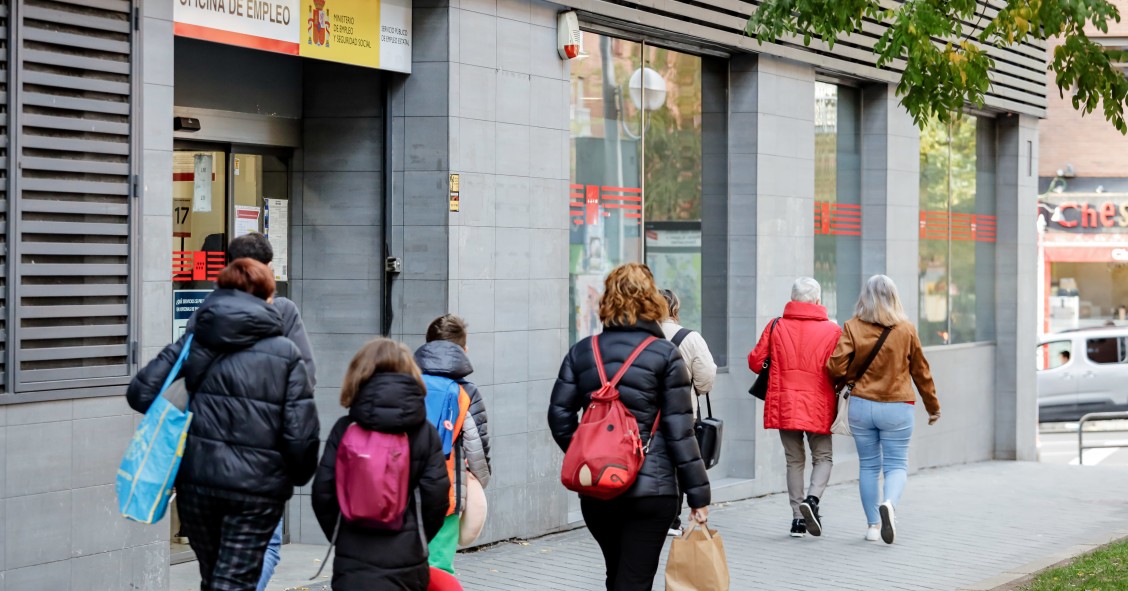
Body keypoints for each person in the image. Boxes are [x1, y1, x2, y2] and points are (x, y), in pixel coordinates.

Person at [127, 259, 319, 590]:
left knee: (214, 577)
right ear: (267, 297)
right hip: (257, 489)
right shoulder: (285, 352)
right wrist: (296, 474)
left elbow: (140, 393)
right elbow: (301, 432)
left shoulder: (196, 341)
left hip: (198, 483)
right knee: (233, 582)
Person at [548, 263, 711, 591]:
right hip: (654, 487)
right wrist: (698, 494)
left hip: (598, 489)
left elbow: (559, 416)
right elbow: (680, 430)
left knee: (618, 573)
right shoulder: (665, 355)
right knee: (634, 578)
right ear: (651, 301)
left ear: (607, 301)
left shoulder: (582, 352)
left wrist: (591, 453)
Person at [311, 338, 451, 590]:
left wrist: (345, 535)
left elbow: (323, 494)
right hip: (407, 564)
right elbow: (437, 497)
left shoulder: (345, 430)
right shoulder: (425, 434)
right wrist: (415, 538)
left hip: (353, 562)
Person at [225, 233, 318, 591]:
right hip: (262, 454)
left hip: (208, 455)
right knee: (267, 546)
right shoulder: (282, 311)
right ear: (269, 269)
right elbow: (306, 378)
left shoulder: (208, 312)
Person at [827, 275, 940, 545]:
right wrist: (932, 407)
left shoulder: (852, 327)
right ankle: (889, 503)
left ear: (864, 297)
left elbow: (834, 367)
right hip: (897, 406)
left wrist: (850, 378)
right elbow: (921, 372)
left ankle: (872, 527)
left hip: (862, 405)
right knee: (896, 464)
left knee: (868, 466)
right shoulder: (906, 329)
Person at [748, 277, 842, 538]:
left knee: (794, 460)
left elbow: (756, 363)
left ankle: (797, 520)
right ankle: (812, 501)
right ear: (818, 301)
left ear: (793, 299)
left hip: (785, 402)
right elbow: (840, 369)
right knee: (823, 457)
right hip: (819, 404)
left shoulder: (776, 325)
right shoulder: (833, 331)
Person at [414, 314, 491, 574]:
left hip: (400, 491)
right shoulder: (466, 392)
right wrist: (480, 483)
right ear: (464, 350)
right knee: (438, 568)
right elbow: (477, 447)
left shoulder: (404, 384)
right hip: (446, 494)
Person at [658, 288, 717, 536]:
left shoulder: (639, 335)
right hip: (682, 413)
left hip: (645, 415)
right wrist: (696, 390)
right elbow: (706, 377)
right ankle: (672, 520)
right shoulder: (690, 338)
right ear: (675, 308)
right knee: (680, 463)